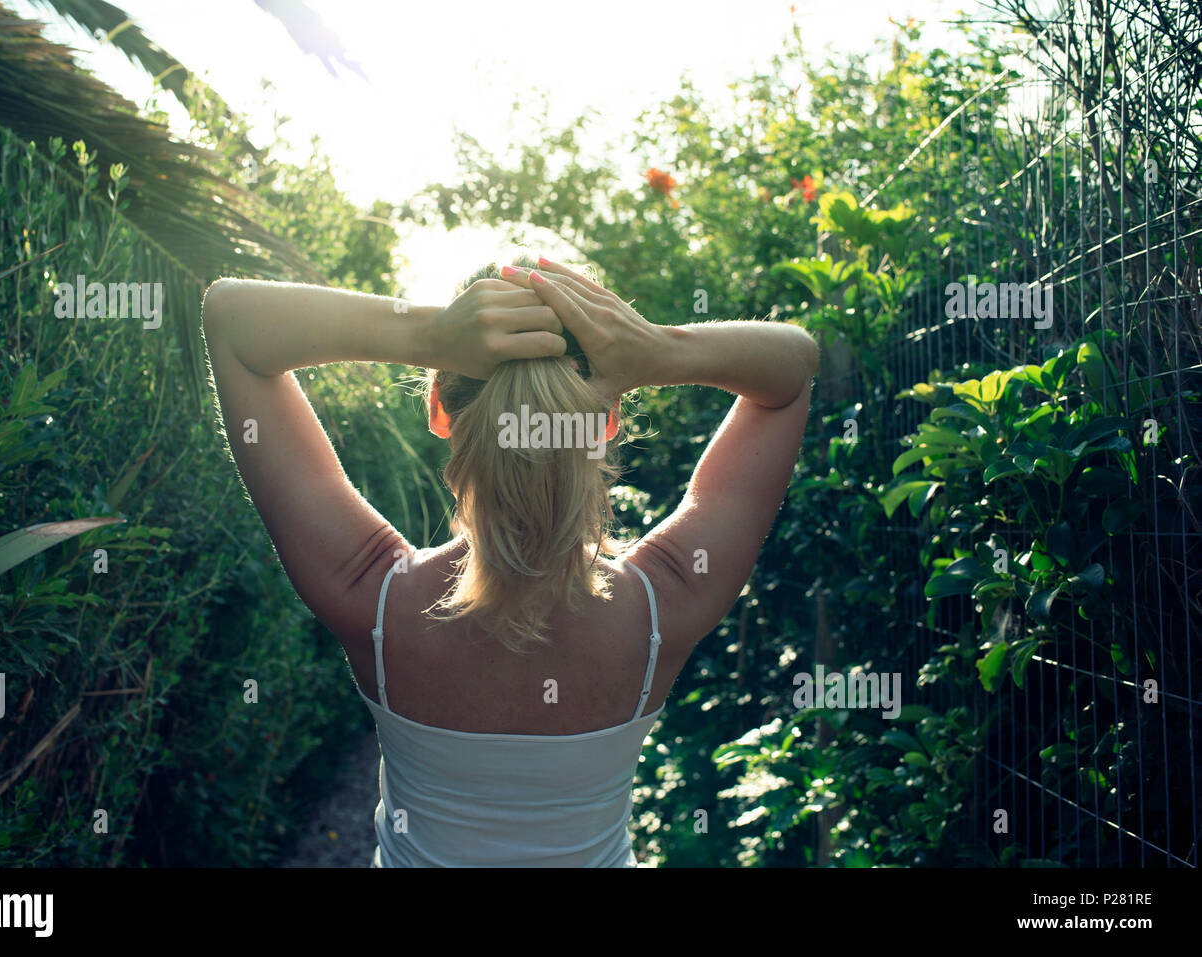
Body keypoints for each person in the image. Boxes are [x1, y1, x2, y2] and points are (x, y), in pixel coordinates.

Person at [200, 252, 819, 866]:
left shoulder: (371, 594)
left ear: (439, 407)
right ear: (604, 423)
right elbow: (791, 366)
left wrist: (426, 334)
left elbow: (233, 317)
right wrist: (659, 350)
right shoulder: (668, 602)